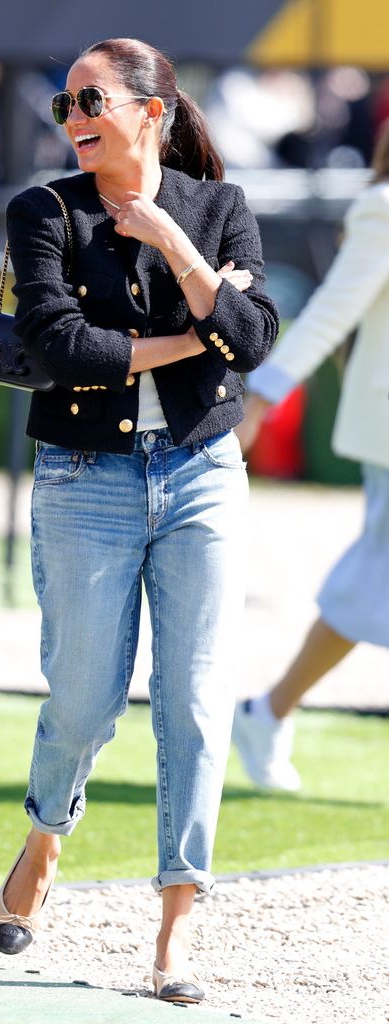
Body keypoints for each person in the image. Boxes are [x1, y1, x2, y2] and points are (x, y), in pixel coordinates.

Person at [0, 37, 279, 1003]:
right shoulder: (43, 211)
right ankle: (43, 835)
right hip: (84, 477)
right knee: (83, 701)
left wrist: (172, 242)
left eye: (91, 100)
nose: (73, 118)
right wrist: (196, 327)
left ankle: (175, 933)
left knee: (196, 706)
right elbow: (63, 346)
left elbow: (252, 339)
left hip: (203, 473)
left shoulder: (218, 208)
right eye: (64, 103)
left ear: (150, 111)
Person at [232, 121, 389, 793]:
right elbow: (331, 312)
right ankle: (266, 713)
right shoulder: (384, 207)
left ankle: (266, 713)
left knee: (371, 581)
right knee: (371, 579)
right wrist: (263, 395)